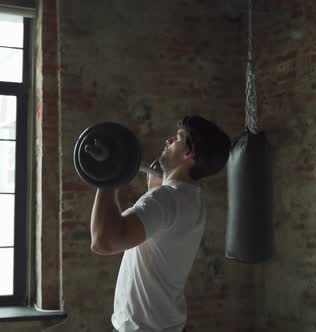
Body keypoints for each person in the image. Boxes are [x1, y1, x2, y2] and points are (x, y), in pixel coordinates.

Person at [89, 115, 231, 332]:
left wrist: (107, 178)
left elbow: (103, 241)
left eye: (178, 138)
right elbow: (145, 232)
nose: (168, 140)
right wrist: (153, 188)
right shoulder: (193, 199)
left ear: (188, 153)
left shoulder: (165, 200)